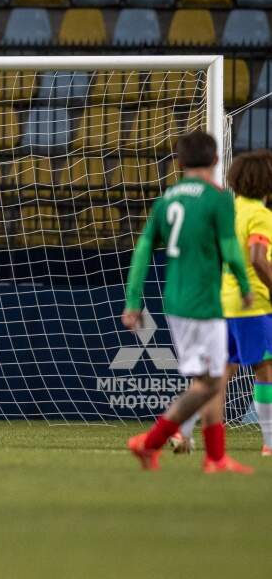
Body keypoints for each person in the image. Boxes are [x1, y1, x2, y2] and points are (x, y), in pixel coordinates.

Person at [123, 131, 253, 473]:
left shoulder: (166, 200)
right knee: (211, 382)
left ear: (179, 163)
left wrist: (133, 300)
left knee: (209, 378)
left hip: (175, 302)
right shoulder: (218, 198)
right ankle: (149, 442)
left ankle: (215, 457)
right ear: (215, 161)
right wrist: (243, 283)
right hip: (203, 303)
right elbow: (229, 249)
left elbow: (141, 252)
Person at [171, 150, 272, 457]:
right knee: (266, 368)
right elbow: (257, 257)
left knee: (216, 372)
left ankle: (181, 430)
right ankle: (270, 442)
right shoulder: (260, 216)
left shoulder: (227, 209)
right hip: (251, 304)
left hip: (219, 303)